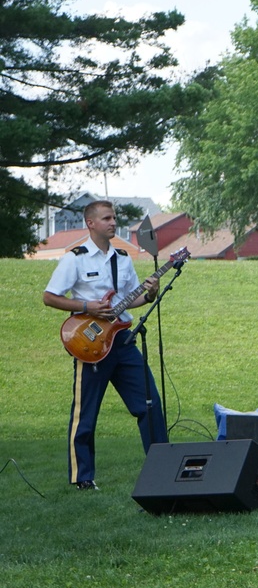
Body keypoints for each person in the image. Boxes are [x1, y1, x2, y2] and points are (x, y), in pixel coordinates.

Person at [42, 200, 168, 490]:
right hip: (90, 343)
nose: (113, 223)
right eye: (107, 218)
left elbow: (129, 298)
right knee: (85, 414)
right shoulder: (75, 258)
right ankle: (82, 477)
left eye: (114, 218)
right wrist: (87, 306)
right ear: (91, 223)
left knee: (149, 404)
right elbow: (50, 296)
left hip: (123, 341)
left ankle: (162, 467)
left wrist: (149, 294)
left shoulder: (123, 258)